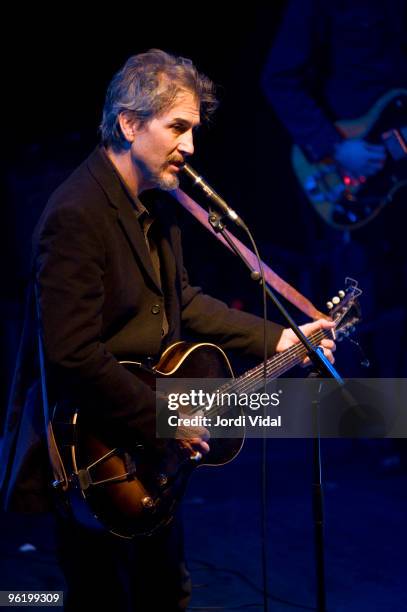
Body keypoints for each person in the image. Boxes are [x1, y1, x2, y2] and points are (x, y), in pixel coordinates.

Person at [0, 49, 335, 611]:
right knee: (103, 598)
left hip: (150, 449)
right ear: (130, 124)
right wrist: (164, 424)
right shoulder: (77, 214)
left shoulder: (158, 206)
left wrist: (279, 336)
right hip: (96, 451)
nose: (191, 147)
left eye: (194, 130)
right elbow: (71, 354)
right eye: (177, 127)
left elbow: (184, 302)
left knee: (165, 593)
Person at [262, 0, 407, 378]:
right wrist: (334, 146)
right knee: (360, 314)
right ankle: (361, 424)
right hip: (352, 182)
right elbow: (279, 77)